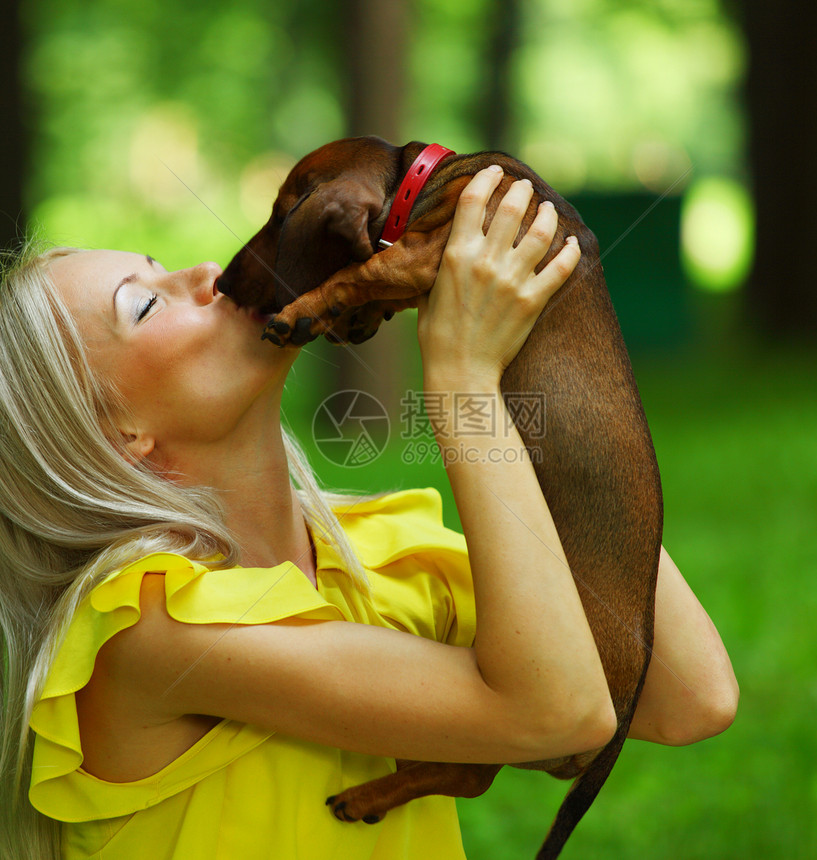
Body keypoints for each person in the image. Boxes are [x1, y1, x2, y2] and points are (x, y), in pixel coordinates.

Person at [0, 167, 737, 860]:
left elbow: (685, 696)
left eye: (162, 262)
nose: (199, 274)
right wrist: (462, 379)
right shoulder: (148, 630)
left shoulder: (383, 556)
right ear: (118, 431)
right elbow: (559, 714)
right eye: (145, 303)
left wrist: (530, 346)